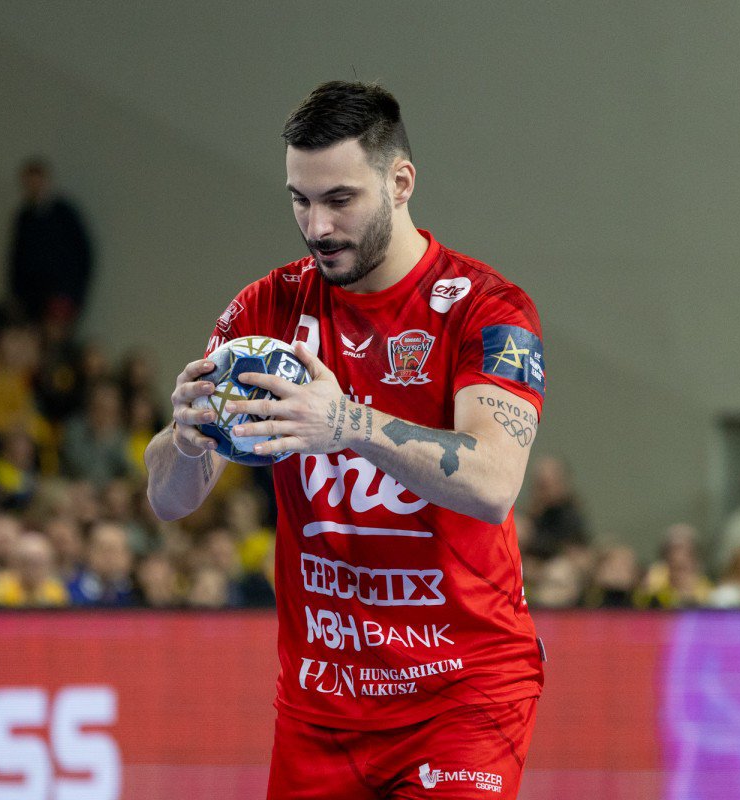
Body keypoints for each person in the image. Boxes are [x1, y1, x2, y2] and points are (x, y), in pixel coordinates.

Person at [146, 81, 546, 800]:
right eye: (300, 201)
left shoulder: (488, 310)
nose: (318, 226)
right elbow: (170, 501)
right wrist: (187, 438)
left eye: (339, 200)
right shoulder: (267, 309)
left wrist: (346, 424)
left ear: (400, 183)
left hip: (463, 694)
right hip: (321, 707)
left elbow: (493, 484)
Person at [7, 158, 93, 326]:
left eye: (38, 183)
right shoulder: (24, 217)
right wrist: (16, 293)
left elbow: (83, 253)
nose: (34, 188)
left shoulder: (64, 213)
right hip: (32, 296)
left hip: (62, 293)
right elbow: (17, 257)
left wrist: (73, 291)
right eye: (30, 184)